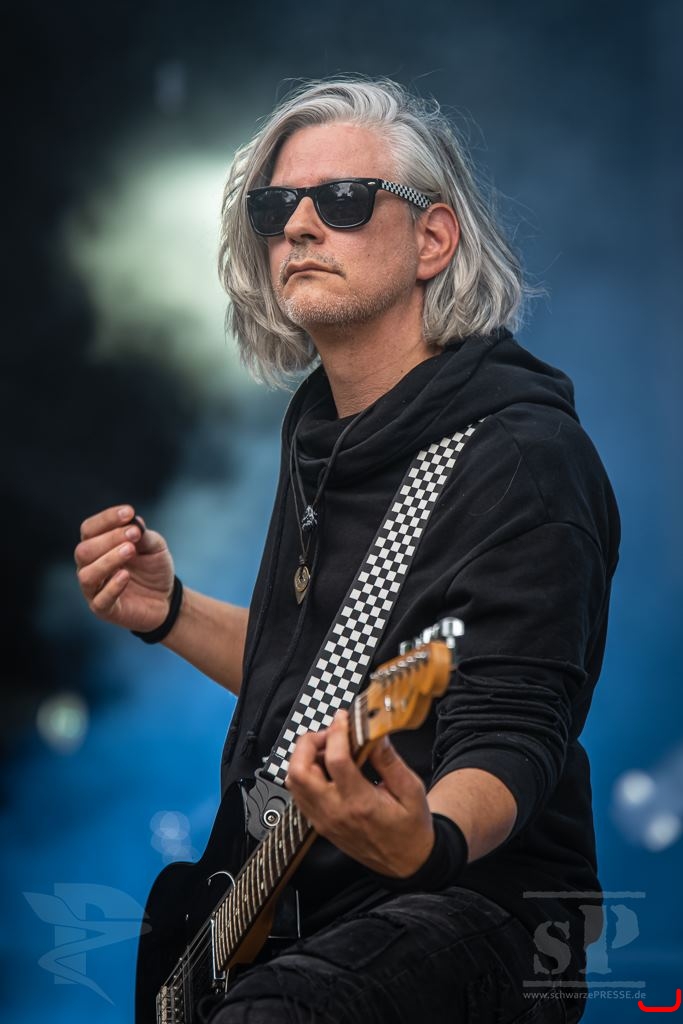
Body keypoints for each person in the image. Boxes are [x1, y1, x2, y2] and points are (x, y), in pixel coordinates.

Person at [74, 77, 620, 1023]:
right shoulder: (323, 436)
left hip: (471, 911)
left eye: (342, 199)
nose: (298, 226)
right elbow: (310, 680)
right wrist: (170, 613)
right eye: (275, 207)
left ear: (432, 239)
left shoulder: (523, 457)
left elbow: (515, 721)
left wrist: (431, 838)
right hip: (292, 908)